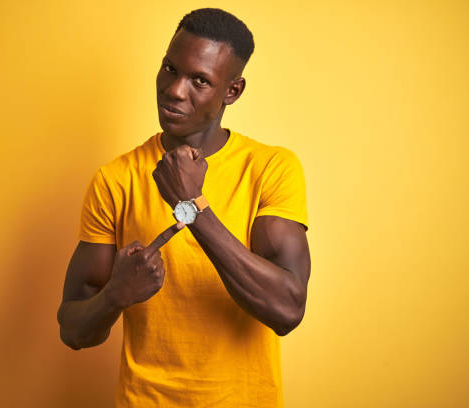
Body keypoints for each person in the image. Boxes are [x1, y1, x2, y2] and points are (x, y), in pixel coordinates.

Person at [57, 7, 311, 408]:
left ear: (232, 91)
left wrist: (192, 205)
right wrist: (114, 297)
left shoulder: (270, 168)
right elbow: (71, 330)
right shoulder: (115, 179)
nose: (175, 90)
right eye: (170, 69)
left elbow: (286, 309)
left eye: (200, 80)